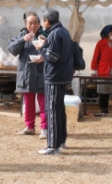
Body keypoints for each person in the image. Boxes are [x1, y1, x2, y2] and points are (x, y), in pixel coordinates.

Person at [35, 9, 74, 155]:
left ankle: (52, 145)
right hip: (63, 76)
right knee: (59, 110)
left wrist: (42, 47)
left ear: (47, 21)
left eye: (42, 21)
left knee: (52, 110)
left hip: (54, 77)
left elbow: (52, 57)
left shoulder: (55, 33)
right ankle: (61, 141)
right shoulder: (63, 31)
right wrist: (47, 44)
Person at [8, 11, 47, 139]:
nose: (33, 25)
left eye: (35, 22)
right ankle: (30, 127)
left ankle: (45, 128)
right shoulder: (21, 35)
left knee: (43, 103)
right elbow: (12, 49)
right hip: (26, 73)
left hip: (41, 73)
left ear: (39, 23)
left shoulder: (45, 35)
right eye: (30, 23)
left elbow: (54, 51)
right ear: (26, 24)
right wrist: (22, 40)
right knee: (28, 102)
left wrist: (44, 53)